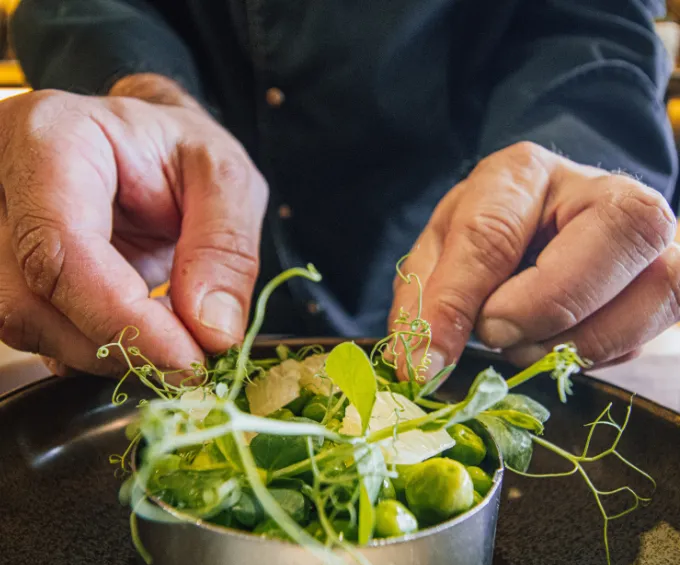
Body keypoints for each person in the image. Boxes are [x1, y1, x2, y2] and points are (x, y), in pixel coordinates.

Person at [1, 0, 678, 381]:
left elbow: (589, 20)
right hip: (161, 249)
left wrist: (575, 164)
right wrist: (143, 94)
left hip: (451, 268)